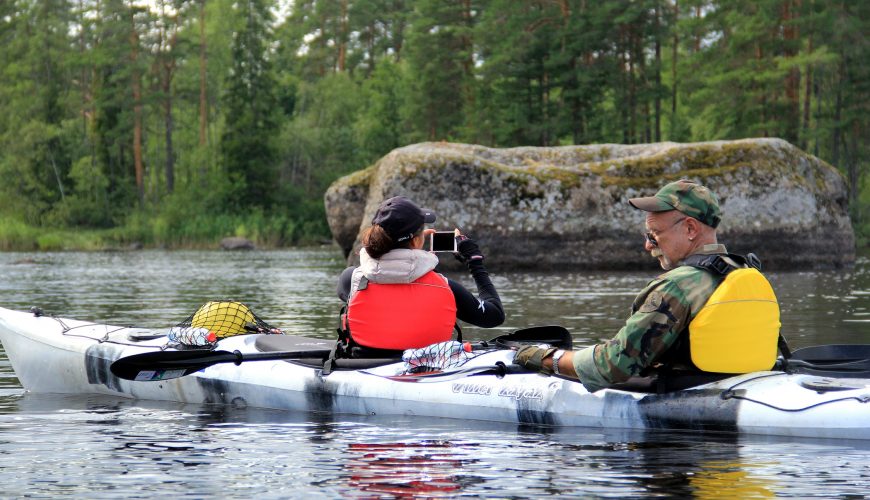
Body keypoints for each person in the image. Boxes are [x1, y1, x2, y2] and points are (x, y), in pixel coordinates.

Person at [515, 179, 781, 392]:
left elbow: (614, 364)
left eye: (654, 235)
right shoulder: (744, 271)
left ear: (690, 229)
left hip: (689, 402)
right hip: (746, 383)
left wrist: (545, 357)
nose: (648, 245)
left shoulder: (678, 286)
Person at [336, 196, 504, 355]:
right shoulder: (446, 287)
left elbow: (384, 282)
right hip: (425, 370)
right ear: (417, 241)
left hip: (363, 366)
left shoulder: (351, 279)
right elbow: (494, 315)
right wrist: (475, 263)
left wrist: (413, 254)